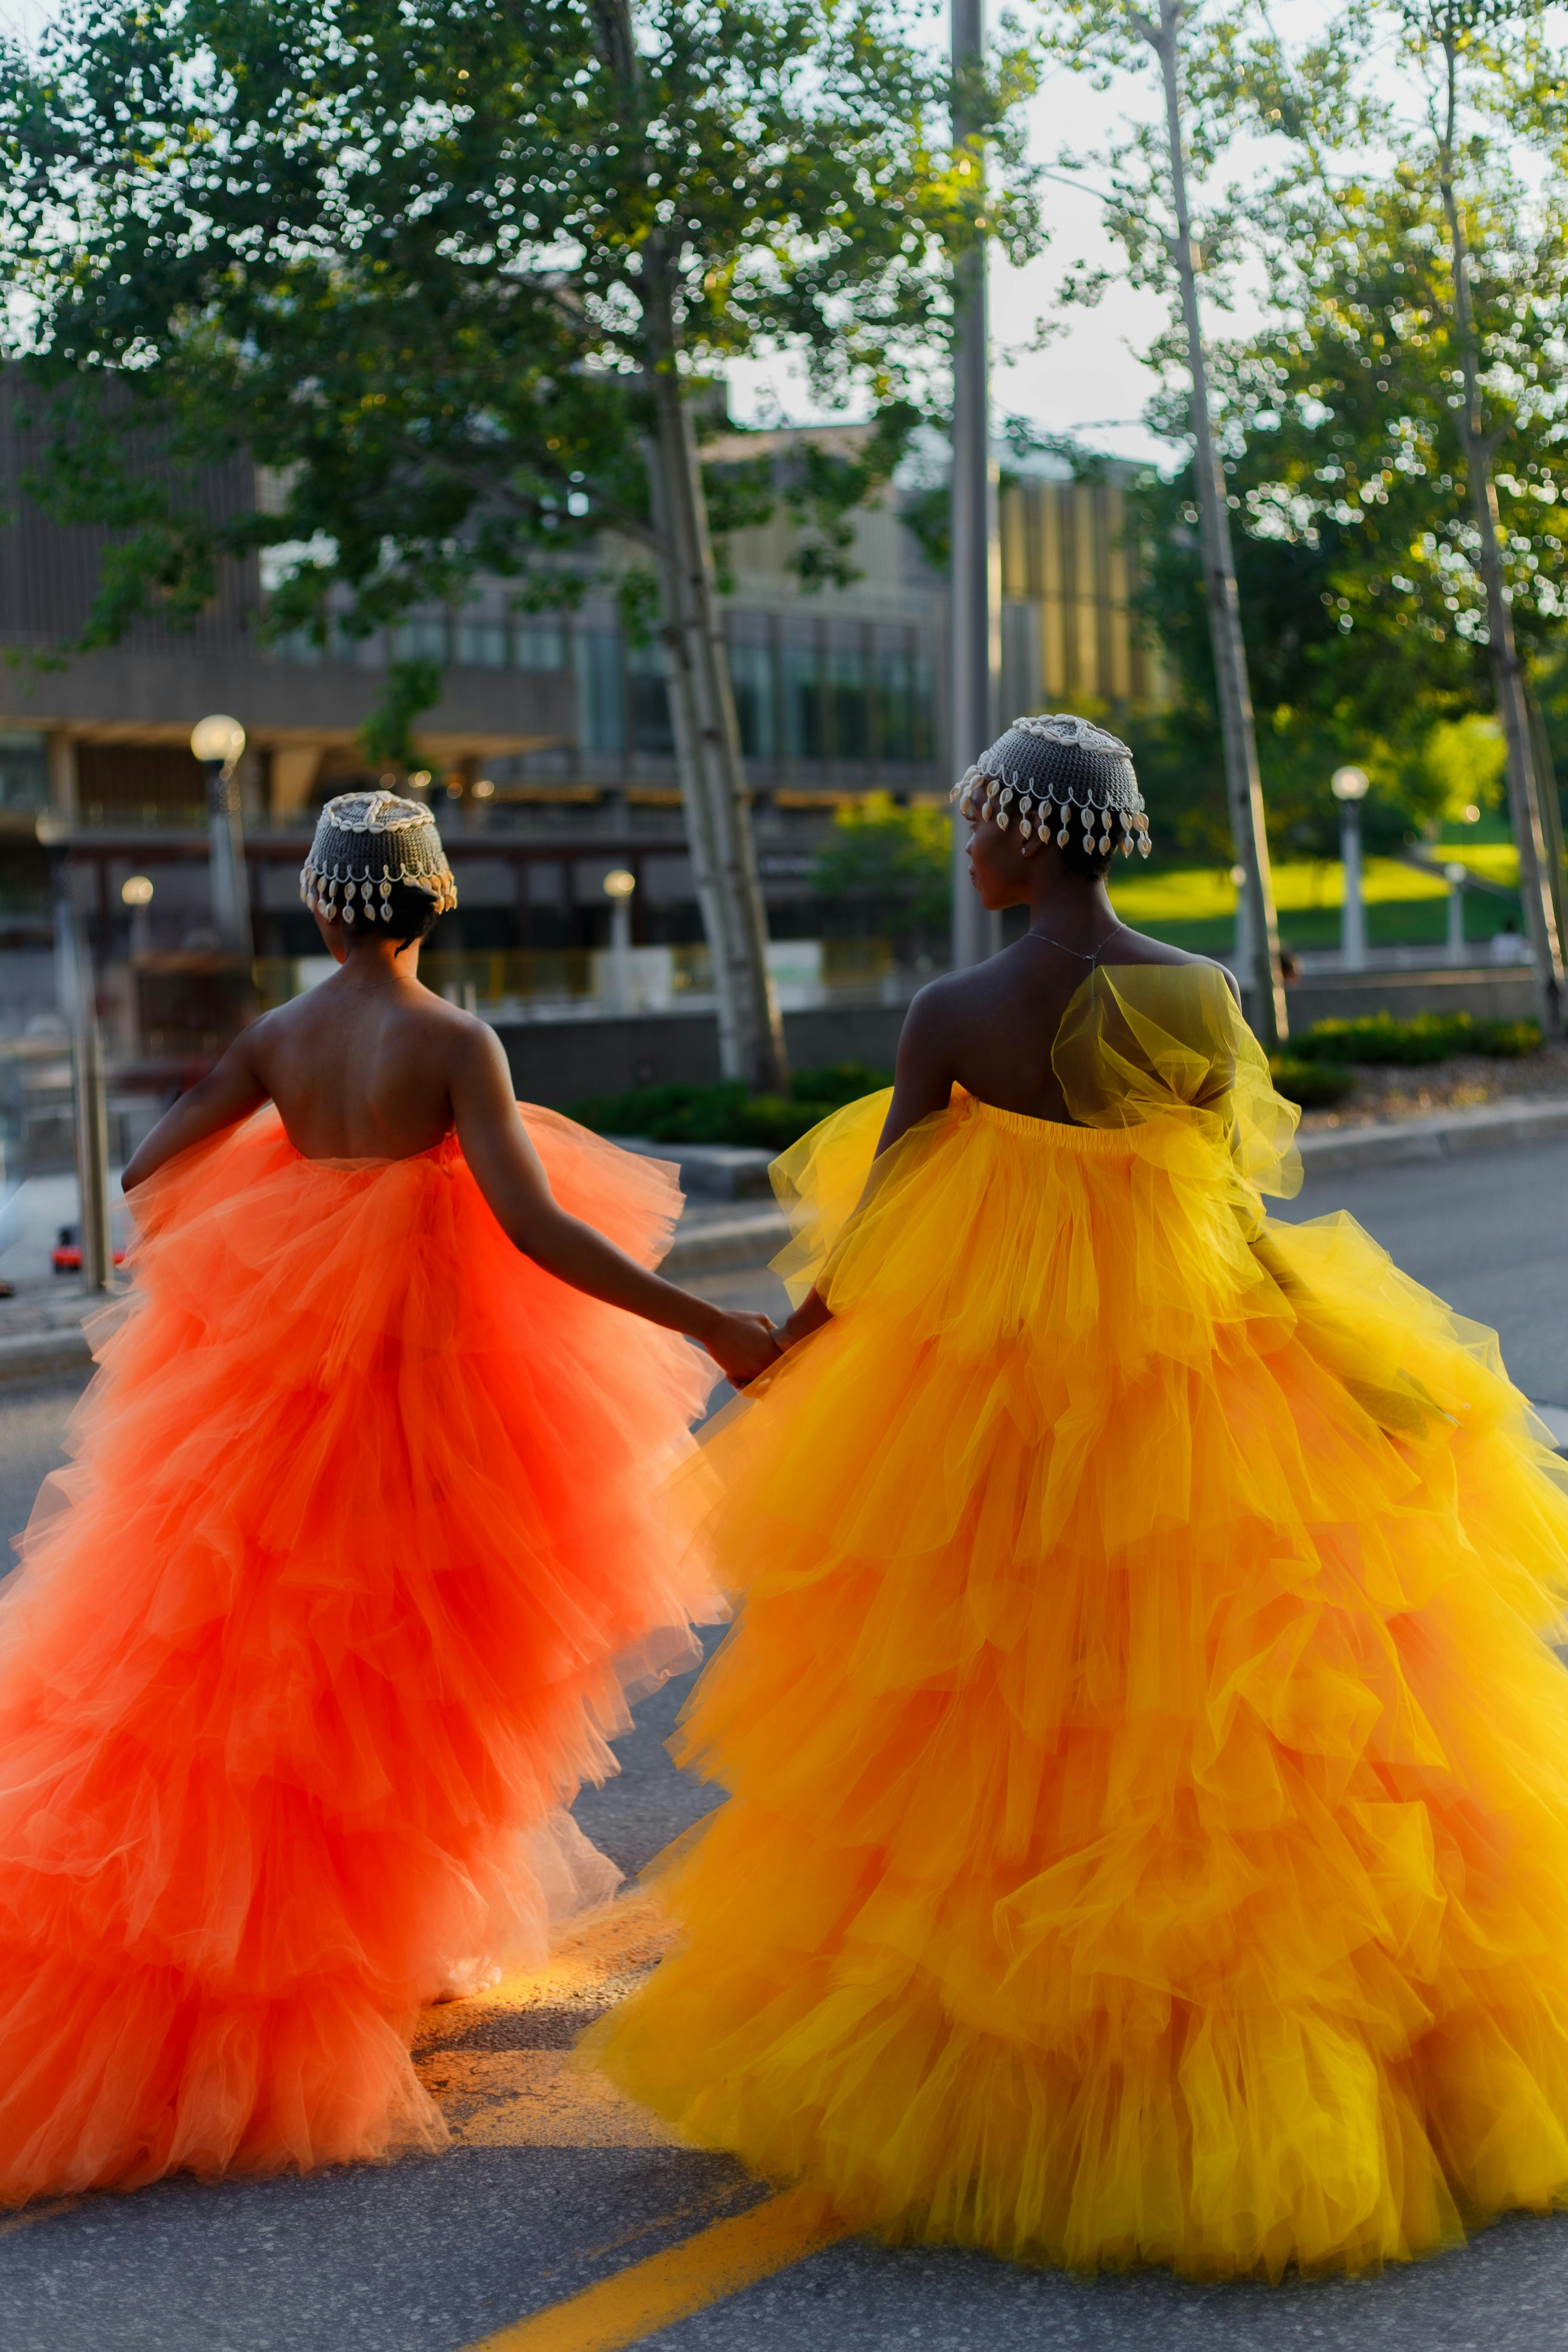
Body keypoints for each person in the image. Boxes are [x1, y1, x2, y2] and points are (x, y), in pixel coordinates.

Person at [585, 714, 1568, 2279]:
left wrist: (783, 1352)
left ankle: (1007, 2055)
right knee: (1209, 1709)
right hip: (1195, 1384)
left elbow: (892, 1219)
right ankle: (1257, 2047)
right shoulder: (1199, 992)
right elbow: (1233, 1209)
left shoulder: (958, 1010)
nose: (969, 849)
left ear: (1033, 838)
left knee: (1006, 1711)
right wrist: (1331, 1353)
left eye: (979, 825)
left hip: (998, 1410)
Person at [0, 789, 776, 2206]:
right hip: (422, 1404)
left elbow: (143, 1165)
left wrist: (285, 1213)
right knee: (405, 1682)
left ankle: (288, 1955)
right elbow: (539, 1226)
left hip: (282, 1411)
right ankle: (373, 1954)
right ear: (433, 908)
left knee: (277, 1679)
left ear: (320, 909)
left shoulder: (279, 1041)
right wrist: (704, 1320)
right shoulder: (453, 1042)